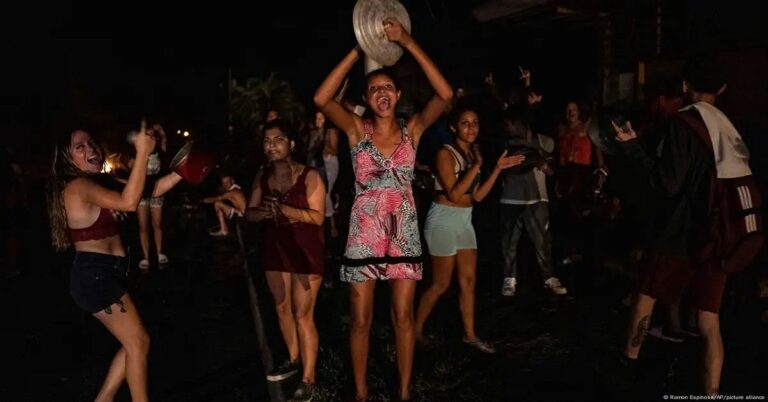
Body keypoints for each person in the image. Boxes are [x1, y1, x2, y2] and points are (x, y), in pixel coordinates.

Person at [314, 17, 453, 402]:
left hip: (403, 234)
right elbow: (321, 99)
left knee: (403, 317)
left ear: (397, 94)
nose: (382, 92)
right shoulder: (357, 130)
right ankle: (361, 394)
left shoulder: (415, 130)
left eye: (388, 87)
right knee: (360, 319)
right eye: (374, 88)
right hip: (364, 234)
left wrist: (408, 41)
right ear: (368, 96)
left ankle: (404, 393)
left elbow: (445, 93)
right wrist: (359, 47)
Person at [611, 55, 753, 395]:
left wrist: (631, 149)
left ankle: (627, 366)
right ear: (722, 88)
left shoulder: (684, 122)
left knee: (646, 295)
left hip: (682, 232)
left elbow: (667, 184)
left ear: (686, 86)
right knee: (708, 321)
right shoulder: (729, 126)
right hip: (719, 235)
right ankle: (711, 392)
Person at [46, 123, 181, 402]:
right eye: (79, 147)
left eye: (91, 142)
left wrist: (184, 170)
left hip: (107, 275)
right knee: (139, 342)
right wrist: (143, 152)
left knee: (132, 343)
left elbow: (150, 190)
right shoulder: (78, 186)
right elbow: (130, 203)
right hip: (95, 278)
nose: (90, 149)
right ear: (67, 159)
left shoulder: (98, 182)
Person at [414, 102, 525, 353]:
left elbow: (477, 197)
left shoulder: (472, 154)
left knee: (468, 281)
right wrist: (477, 165)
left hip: (465, 221)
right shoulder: (445, 154)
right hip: (443, 219)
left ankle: (470, 335)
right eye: (465, 123)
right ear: (454, 127)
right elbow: (453, 194)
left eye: (474, 123)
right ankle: (414, 329)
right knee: (441, 284)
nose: (471, 128)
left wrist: (496, 169)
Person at [246, 119, 326, 402]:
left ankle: (309, 378)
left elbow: (317, 217)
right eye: (267, 141)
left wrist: (286, 209)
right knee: (282, 308)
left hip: (305, 251)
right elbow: (249, 213)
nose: (272, 146)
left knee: (303, 314)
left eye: (278, 139)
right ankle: (293, 360)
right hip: (275, 250)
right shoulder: (262, 176)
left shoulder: (311, 176)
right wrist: (266, 213)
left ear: (291, 143)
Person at [499, 104, 569, 298]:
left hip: (537, 198)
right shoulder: (505, 144)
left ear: (520, 123)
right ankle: (509, 279)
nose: (507, 128)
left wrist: (539, 162)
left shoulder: (544, 142)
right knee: (509, 242)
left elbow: (552, 171)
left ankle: (549, 278)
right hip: (510, 199)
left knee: (542, 242)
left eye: (509, 124)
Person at [128, 124, 170, 271]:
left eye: (153, 135)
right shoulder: (137, 153)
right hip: (142, 192)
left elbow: (164, 142)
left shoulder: (159, 151)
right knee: (143, 226)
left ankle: (159, 253)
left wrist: (162, 132)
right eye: (148, 135)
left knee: (157, 224)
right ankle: (145, 257)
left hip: (157, 191)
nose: (151, 137)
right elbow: (131, 170)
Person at [306, 111, 342, 238]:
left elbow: (334, 150)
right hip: (316, 164)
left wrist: (323, 145)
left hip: (329, 163)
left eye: (321, 118)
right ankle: (321, 223)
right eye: (316, 118)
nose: (318, 121)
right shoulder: (313, 132)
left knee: (325, 192)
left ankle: (332, 225)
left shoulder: (331, 131)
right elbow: (309, 150)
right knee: (317, 192)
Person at [202, 172, 246, 237]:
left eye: (227, 182)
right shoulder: (234, 189)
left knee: (217, 203)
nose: (225, 185)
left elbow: (217, 198)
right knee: (221, 206)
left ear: (232, 181)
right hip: (241, 213)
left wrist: (203, 200)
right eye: (224, 183)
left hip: (242, 215)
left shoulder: (233, 191)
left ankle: (223, 230)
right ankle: (223, 227)